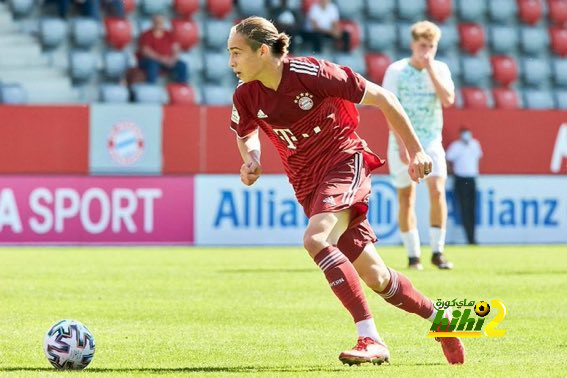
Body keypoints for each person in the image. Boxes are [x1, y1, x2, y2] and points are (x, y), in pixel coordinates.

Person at [227, 16, 465, 366]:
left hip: (343, 162)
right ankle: (443, 321)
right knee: (378, 277)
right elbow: (244, 131)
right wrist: (252, 159)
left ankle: (370, 338)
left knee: (316, 239)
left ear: (263, 51)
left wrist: (416, 150)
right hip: (307, 183)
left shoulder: (314, 74)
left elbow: (385, 98)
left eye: (236, 52)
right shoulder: (245, 95)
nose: (231, 62)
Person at [382, 21, 455, 271]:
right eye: (422, 46)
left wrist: (431, 69)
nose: (426, 51)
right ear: (413, 44)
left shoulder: (441, 69)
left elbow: (448, 100)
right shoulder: (397, 70)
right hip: (401, 140)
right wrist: (402, 143)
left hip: (431, 139)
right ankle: (413, 256)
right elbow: (389, 109)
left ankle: (438, 252)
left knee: (437, 190)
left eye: (431, 46)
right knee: (406, 197)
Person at [446, 127, 483, 245]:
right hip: (460, 179)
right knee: (464, 209)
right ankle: (469, 238)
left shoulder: (475, 144)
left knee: (472, 209)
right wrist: (451, 171)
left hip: (471, 179)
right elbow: (447, 159)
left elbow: (477, 158)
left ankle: (473, 237)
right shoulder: (456, 146)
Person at [137, 15, 188, 84]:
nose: (158, 24)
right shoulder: (146, 35)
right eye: (157, 22)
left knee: (182, 65)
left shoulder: (169, 34)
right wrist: (161, 59)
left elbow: (176, 49)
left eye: (160, 22)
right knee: (153, 64)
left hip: (167, 61)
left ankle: (181, 86)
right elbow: (146, 51)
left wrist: (172, 59)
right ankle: (151, 87)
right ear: (153, 23)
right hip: (151, 61)